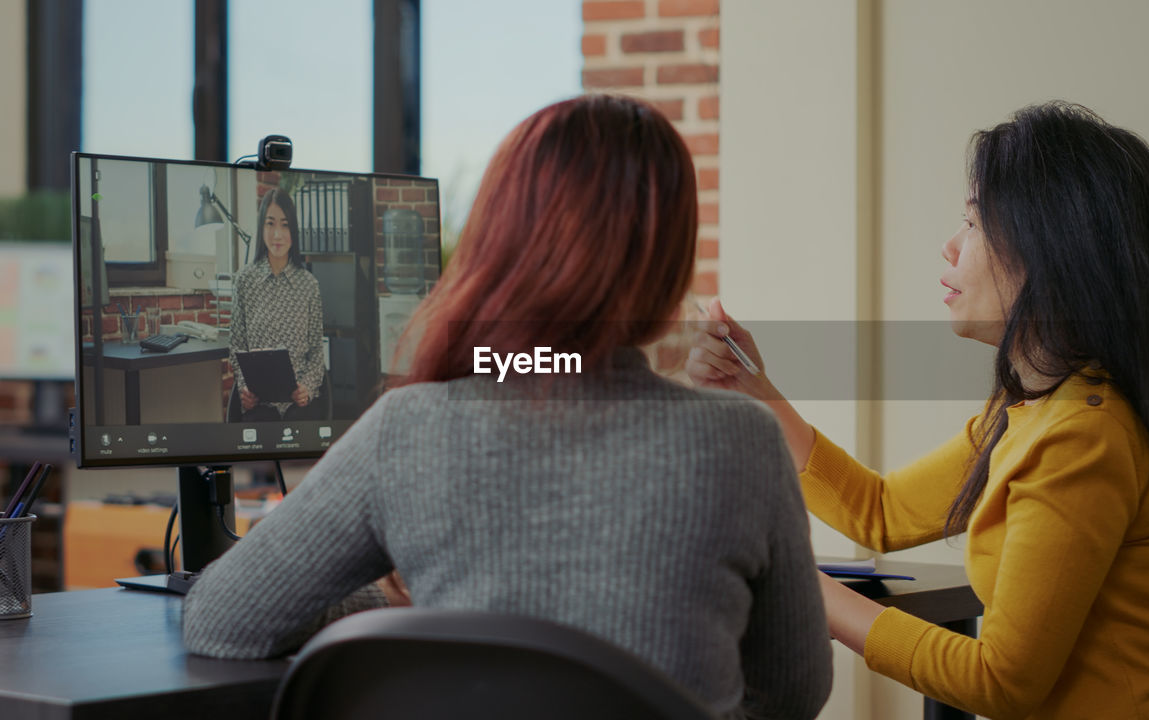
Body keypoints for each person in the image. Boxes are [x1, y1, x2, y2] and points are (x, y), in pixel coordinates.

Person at [183, 94, 833, 719]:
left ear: (496, 245)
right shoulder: (745, 441)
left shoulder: (407, 430)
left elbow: (222, 619)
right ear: (667, 258)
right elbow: (792, 696)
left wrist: (405, 593)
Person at [686, 102, 1149, 719]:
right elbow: (880, 511)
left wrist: (799, 587)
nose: (949, 247)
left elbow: (999, 683)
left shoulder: (1083, 435)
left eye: (972, 223)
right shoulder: (1035, 410)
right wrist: (757, 390)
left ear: (1048, 250)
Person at [228, 187, 325, 422]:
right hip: (259, 404)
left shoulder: (309, 285)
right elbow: (236, 347)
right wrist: (244, 389)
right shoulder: (244, 281)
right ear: (262, 228)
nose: (277, 235)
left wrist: (307, 389)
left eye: (285, 225)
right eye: (270, 224)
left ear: (294, 230)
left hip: (299, 405)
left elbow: (316, 351)